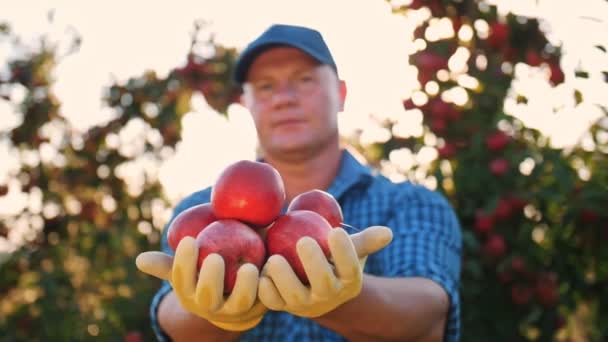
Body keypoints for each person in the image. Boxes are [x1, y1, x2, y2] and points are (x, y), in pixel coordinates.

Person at [136, 24, 462, 341]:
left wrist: (346, 300)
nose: (284, 99)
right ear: (246, 104)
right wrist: (210, 313)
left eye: (304, 80)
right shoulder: (199, 211)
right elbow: (173, 316)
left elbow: (430, 313)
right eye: (265, 87)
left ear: (342, 93)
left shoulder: (411, 204)